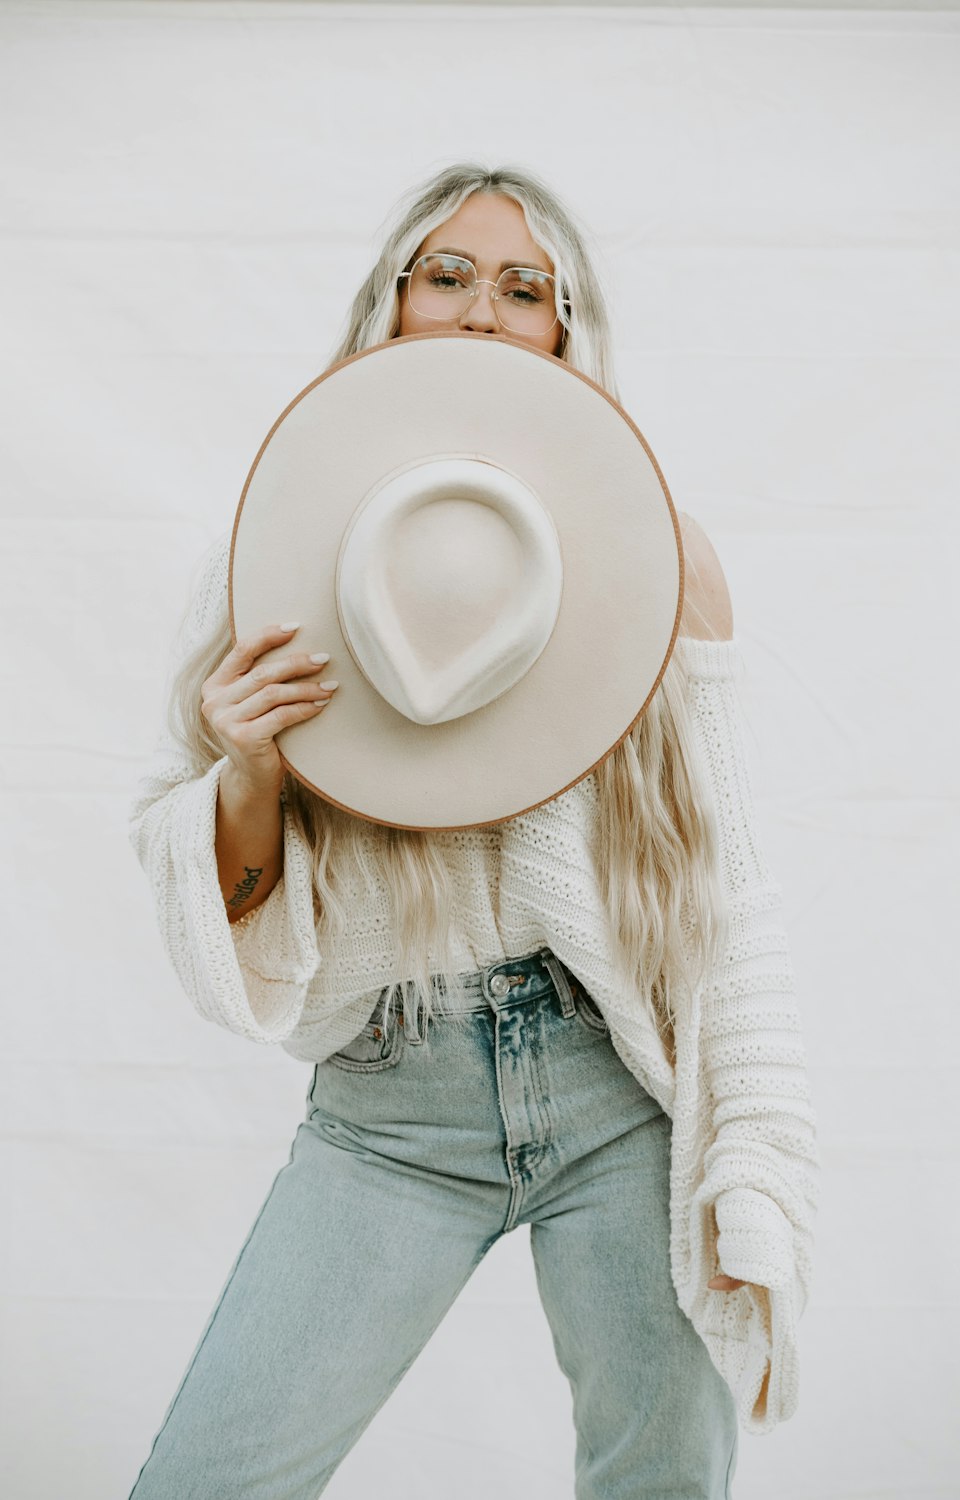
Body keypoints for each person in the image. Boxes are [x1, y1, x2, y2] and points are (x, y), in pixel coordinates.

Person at [126, 161, 819, 1500]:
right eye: (446, 275)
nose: (483, 312)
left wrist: (755, 1159)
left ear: (568, 326)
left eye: (522, 286)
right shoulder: (279, 543)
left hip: (620, 1089)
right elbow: (230, 900)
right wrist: (247, 764)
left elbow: (728, 891)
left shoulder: (663, 558)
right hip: (395, 1099)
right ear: (388, 306)